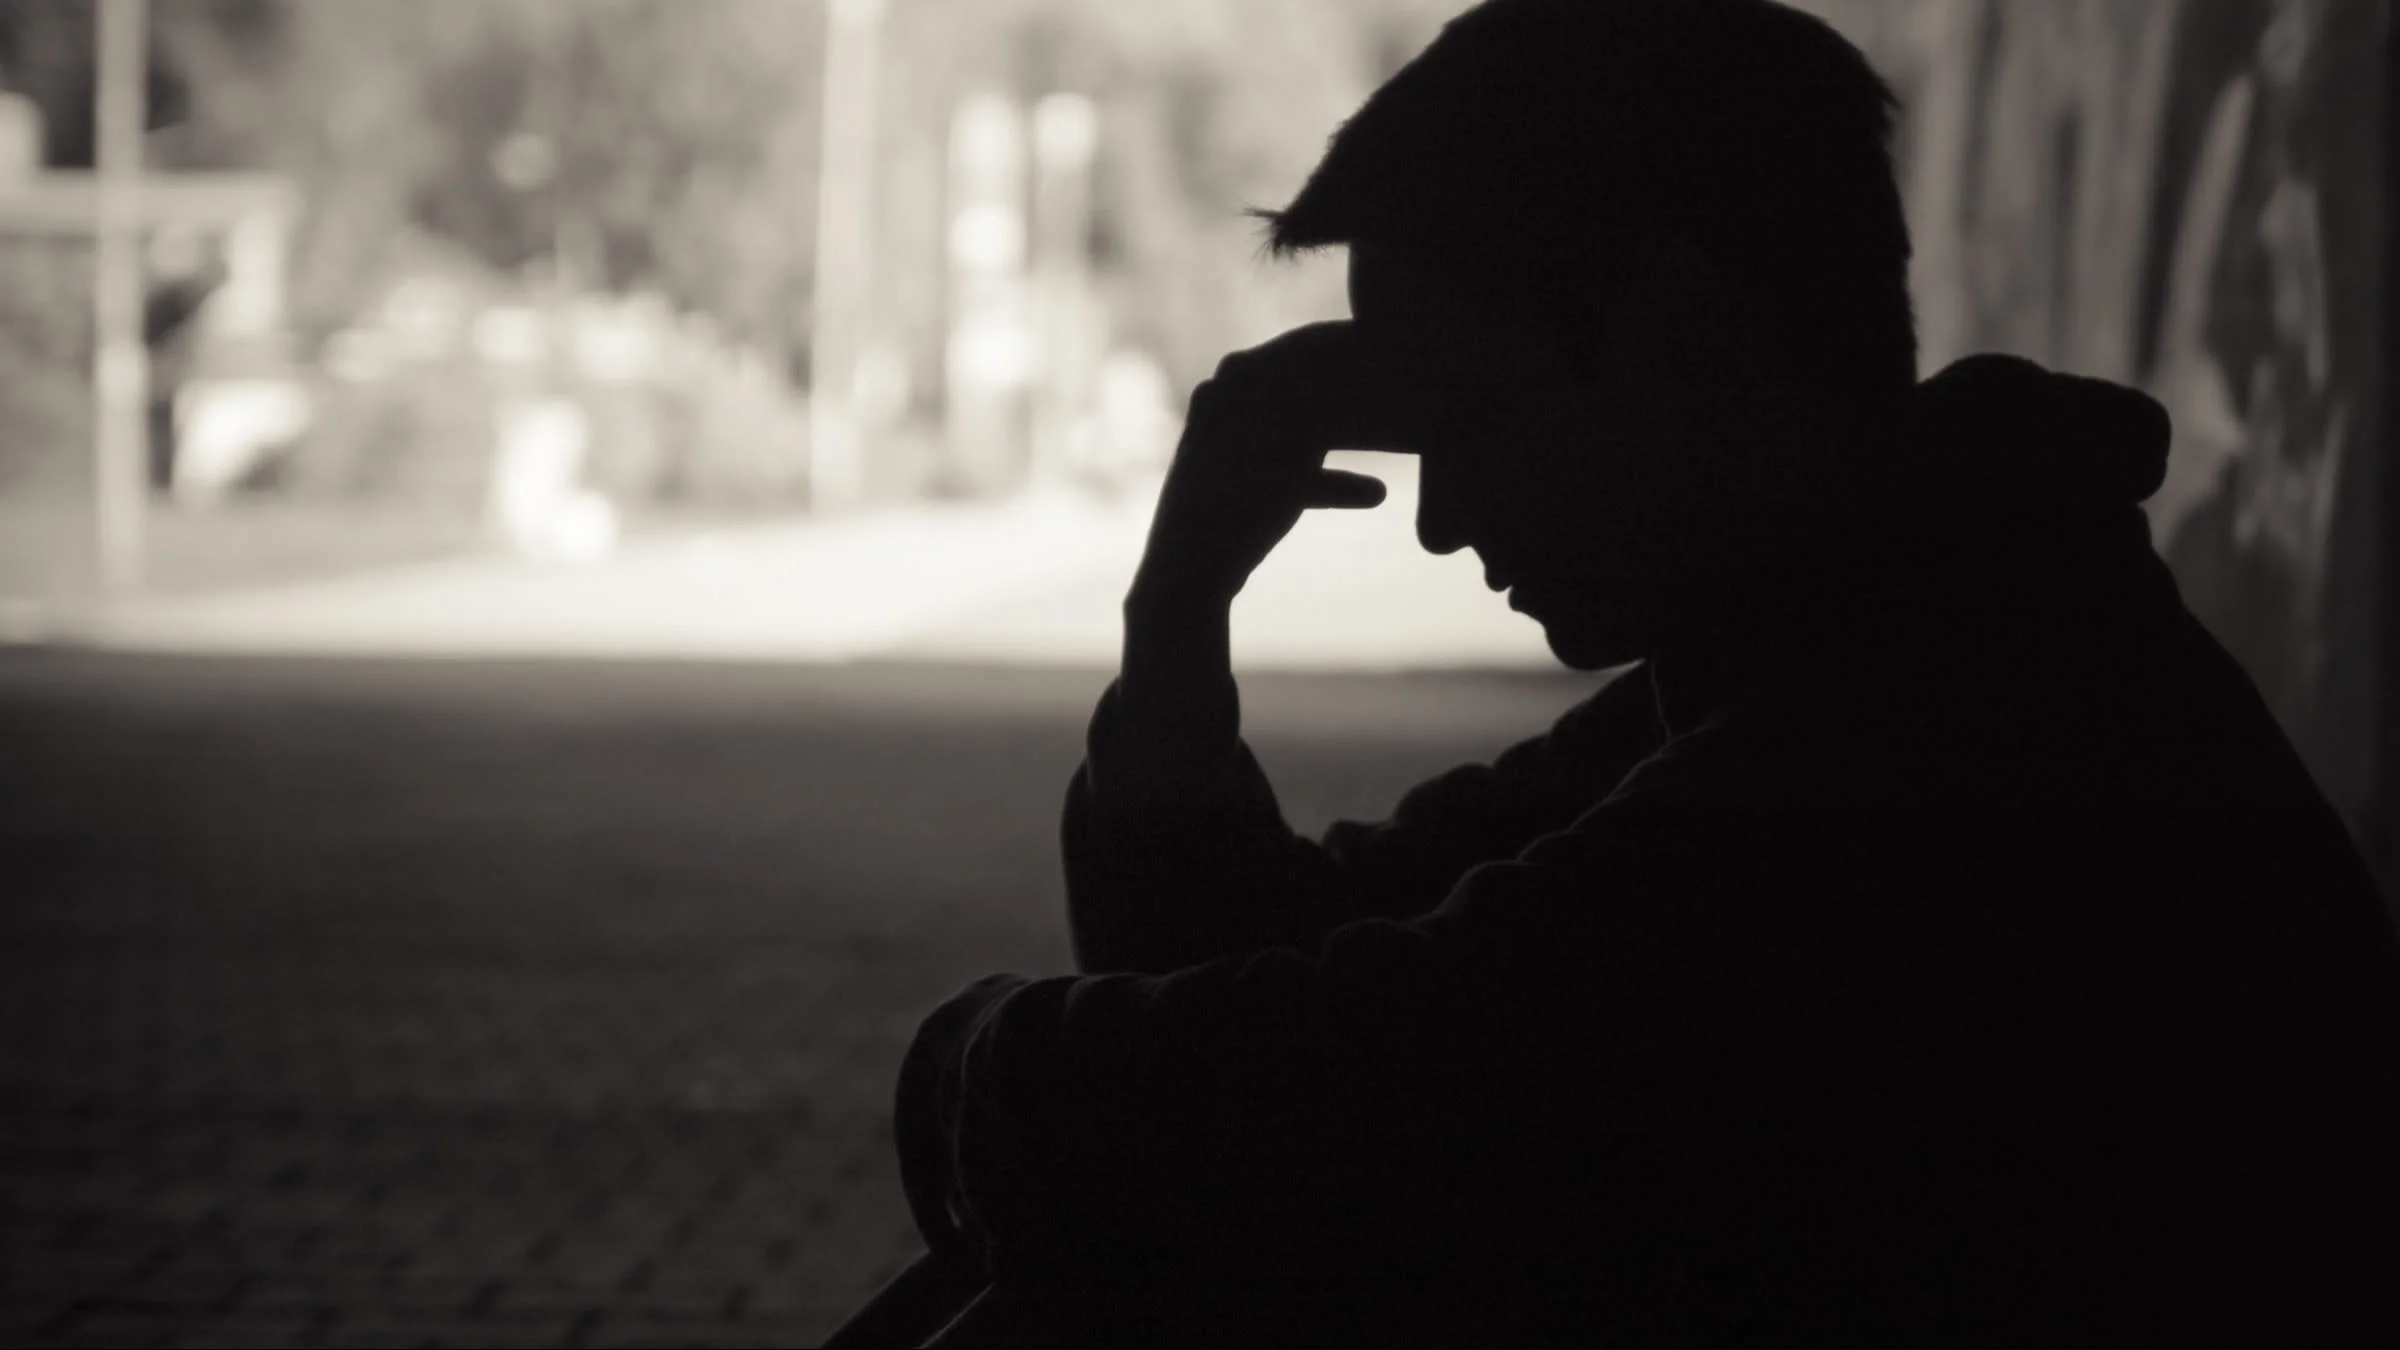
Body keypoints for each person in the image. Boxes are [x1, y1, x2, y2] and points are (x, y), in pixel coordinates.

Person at [830, 0, 2400, 1343]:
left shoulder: (1945, 723)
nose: (1440, 515)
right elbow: (1286, 972)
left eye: (1471, 409)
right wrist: (1177, 619)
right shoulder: (1847, 629)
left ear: (1688, 331)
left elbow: (1304, 1110)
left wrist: (961, 1070)